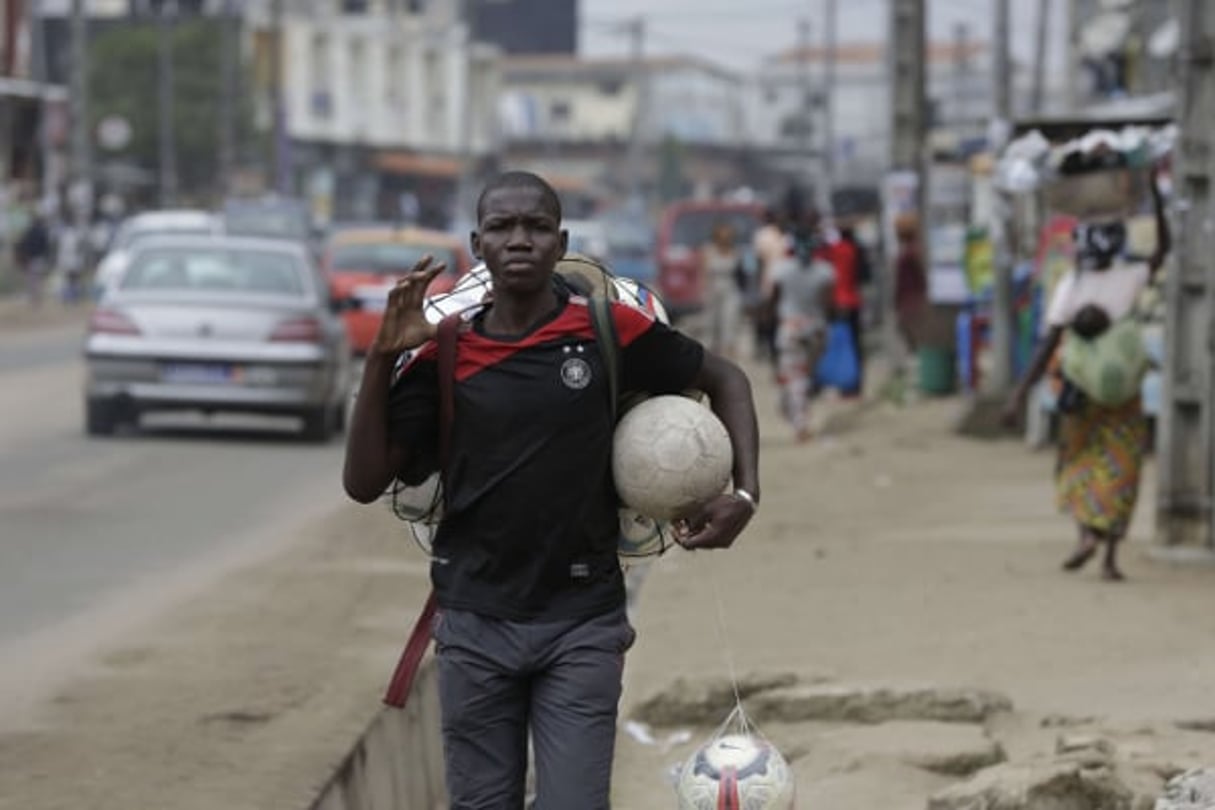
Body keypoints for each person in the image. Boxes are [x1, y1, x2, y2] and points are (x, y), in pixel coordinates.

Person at [342, 171, 760, 808]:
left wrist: (745, 495)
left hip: (582, 622)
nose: (519, 241)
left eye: (536, 227)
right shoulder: (447, 352)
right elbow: (363, 482)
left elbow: (728, 380)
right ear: (477, 242)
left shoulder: (608, 331)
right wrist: (381, 359)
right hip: (474, 621)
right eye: (502, 228)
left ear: (560, 241)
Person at [1003, 169, 1169, 581]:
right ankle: (1109, 556)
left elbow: (1047, 345)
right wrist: (1156, 199)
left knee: (1077, 462)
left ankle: (1084, 537)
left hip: (1079, 393)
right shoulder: (1129, 278)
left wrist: (1019, 392)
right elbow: (1163, 250)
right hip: (1123, 397)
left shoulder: (1070, 285)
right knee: (1121, 467)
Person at [772, 226, 836, 443]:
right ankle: (798, 415)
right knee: (802, 377)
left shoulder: (782, 270)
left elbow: (773, 298)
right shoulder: (824, 272)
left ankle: (800, 423)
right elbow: (829, 304)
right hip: (816, 329)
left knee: (796, 378)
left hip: (791, 329)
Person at [699, 220, 746, 359]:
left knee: (729, 323)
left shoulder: (736, 252)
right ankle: (712, 357)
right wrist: (704, 292)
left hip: (730, 289)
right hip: (713, 289)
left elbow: (741, 274)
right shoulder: (708, 251)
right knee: (711, 325)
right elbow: (704, 273)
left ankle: (729, 357)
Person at [832, 224, 868, 397]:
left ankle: (844, 382)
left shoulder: (836, 250)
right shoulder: (856, 250)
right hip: (853, 301)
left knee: (840, 345)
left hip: (838, 302)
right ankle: (855, 383)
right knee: (855, 344)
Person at [752, 207, 787, 362]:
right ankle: (770, 348)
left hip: (775, 281)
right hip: (773, 281)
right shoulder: (770, 236)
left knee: (774, 317)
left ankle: (772, 348)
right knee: (772, 317)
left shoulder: (781, 236)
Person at [893, 215, 927, 354]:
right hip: (912, 299)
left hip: (912, 300)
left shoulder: (910, 252)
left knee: (914, 337)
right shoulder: (911, 251)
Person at [15, 210, 52, 308]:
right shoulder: (42, 232)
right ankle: (37, 299)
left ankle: (34, 300)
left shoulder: (30, 232)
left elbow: (24, 245)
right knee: (38, 279)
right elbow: (46, 246)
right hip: (40, 258)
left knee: (32, 280)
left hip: (32, 258)